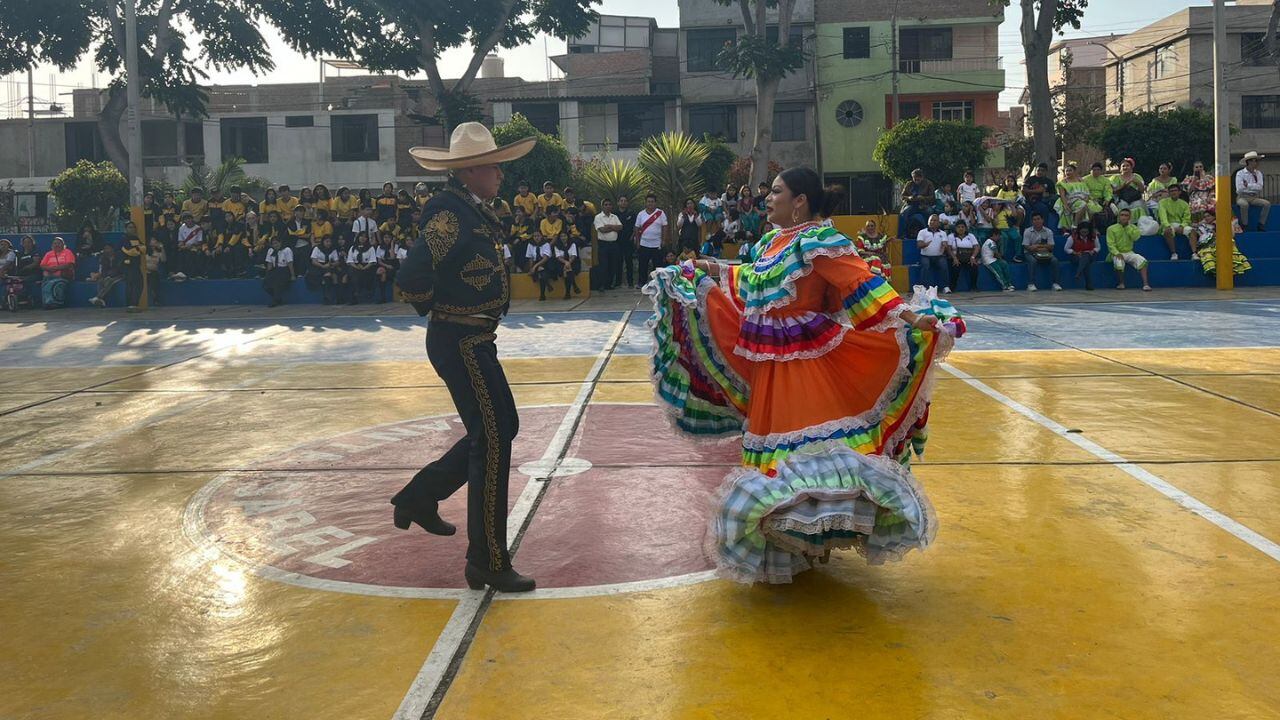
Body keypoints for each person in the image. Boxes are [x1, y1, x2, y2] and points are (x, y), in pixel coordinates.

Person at [646, 166, 962, 583]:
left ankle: (822, 535)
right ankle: (801, 545)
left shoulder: (818, 240)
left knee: (807, 455)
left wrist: (910, 316)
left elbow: (861, 283)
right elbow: (750, 280)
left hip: (808, 364)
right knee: (782, 456)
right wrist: (707, 269)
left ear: (800, 202)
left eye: (776, 191)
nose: (767, 198)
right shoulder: (771, 243)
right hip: (771, 372)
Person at [394, 122, 538, 593]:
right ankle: (487, 560)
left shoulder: (470, 210)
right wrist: (442, 308)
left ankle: (421, 495)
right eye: (494, 165)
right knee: (494, 437)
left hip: (473, 339)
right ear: (470, 170)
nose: (500, 173)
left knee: (500, 429)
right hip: (460, 339)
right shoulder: (449, 214)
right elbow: (413, 275)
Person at [1106, 208, 1151, 291]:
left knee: (1142, 260)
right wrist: (1116, 253)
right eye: (1122, 215)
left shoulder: (1134, 228)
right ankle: (1121, 283)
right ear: (1119, 217)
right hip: (1116, 253)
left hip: (1129, 252)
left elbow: (1135, 238)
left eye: (1126, 215)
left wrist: (1128, 227)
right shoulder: (1111, 228)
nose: (1123, 217)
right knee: (1119, 262)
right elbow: (1110, 244)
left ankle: (1146, 284)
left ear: (1129, 217)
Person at [1021, 212, 1062, 291]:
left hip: (1045, 252)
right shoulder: (1027, 231)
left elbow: (1051, 246)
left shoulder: (1048, 231)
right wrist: (1042, 247)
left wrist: (1037, 246)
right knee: (1032, 261)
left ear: (1042, 220)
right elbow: (1027, 246)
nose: (1037, 221)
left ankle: (1056, 283)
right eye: (1034, 220)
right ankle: (1031, 284)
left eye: (1038, 219)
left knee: (1055, 261)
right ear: (1032, 221)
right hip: (1030, 253)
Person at [634, 193, 668, 283]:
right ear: (645, 203)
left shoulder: (660, 213)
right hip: (644, 243)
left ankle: (657, 283)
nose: (650, 204)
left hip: (657, 244)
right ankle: (642, 282)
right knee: (643, 265)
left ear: (655, 203)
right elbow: (637, 228)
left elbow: (665, 227)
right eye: (648, 202)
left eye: (652, 202)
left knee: (657, 265)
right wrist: (637, 242)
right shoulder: (641, 214)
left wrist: (663, 240)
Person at [1235, 150, 1270, 231]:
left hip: (1254, 197)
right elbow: (1240, 188)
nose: (1257, 163)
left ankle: (1261, 224)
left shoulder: (1258, 173)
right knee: (1244, 205)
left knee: (1267, 204)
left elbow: (1260, 187)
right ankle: (1245, 225)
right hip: (1242, 197)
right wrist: (1253, 187)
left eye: (1257, 161)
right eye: (1255, 161)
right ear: (1249, 162)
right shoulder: (1240, 173)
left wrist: (1248, 185)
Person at [1054, 162, 1095, 231]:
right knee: (1082, 204)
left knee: (1092, 208)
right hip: (1070, 200)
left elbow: (1087, 192)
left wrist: (1086, 199)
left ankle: (1088, 228)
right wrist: (1066, 205)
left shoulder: (1081, 180)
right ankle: (1075, 225)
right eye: (1067, 171)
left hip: (1083, 199)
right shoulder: (1063, 182)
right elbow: (1062, 195)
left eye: (1070, 170)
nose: (1068, 172)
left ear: (1075, 171)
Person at [916, 214, 949, 293]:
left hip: (939, 256)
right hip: (925, 256)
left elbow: (945, 243)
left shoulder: (943, 233)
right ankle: (925, 287)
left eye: (935, 220)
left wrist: (944, 246)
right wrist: (925, 244)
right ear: (928, 222)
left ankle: (945, 287)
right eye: (931, 220)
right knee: (925, 266)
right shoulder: (922, 232)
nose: (933, 222)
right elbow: (919, 245)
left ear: (938, 223)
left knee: (944, 265)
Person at [39, 236, 76, 309]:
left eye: (59, 243)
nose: (57, 245)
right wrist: (49, 269)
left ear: (63, 244)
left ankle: (55, 303)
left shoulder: (68, 252)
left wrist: (55, 268)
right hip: (49, 275)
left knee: (51, 283)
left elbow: (69, 264)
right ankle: (47, 302)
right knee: (46, 282)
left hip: (64, 275)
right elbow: (42, 265)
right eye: (55, 243)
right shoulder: (48, 254)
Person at [594, 199, 623, 289]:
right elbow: (602, 230)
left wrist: (609, 226)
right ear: (602, 206)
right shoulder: (598, 217)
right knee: (603, 265)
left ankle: (609, 284)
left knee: (612, 264)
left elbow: (620, 227)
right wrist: (614, 227)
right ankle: (601, 285)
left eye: (609, 204)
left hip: (614, 244)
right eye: (606, 205)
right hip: (603, 245)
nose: (608, 206)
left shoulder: (614, 217)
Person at [1157, 183, 1191, 259]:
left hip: (1180, 224)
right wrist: (1167, 226)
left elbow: (1187, 218)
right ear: (1169, 193)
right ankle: (1174, 253)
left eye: (1175, 190)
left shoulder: (1184, 204)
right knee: (1167, 231)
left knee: (1193, 232)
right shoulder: (1162, 202)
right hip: (1169, 224)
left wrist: (1182, 226)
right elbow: (1163, 217)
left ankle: (1194, 253)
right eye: (1171, 191)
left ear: (1179, 192)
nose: (1173, 192)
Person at [899, 168, 935, 239]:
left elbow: (932, 197)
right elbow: (902, 196)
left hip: (924, 205)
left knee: (930, 212)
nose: (916, 181)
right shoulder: (909, 184)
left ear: (922, 178)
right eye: (914, 179)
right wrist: (909, 198)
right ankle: (903, 233)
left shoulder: (928, 184)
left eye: (918, 179)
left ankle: (930, 232)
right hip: (911, 204)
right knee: (904, 213)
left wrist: (923, 198)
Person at [1064, 220, 1100, 291]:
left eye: (1086, 232)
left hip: (1090, 255)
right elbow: (1066, 249)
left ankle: (1079, 272)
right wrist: (1074, 252)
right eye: (1082, 232)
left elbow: (1098, 247)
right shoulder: (1073, 237)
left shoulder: (1093, 236)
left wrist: (1093, 251)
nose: (1084, 234)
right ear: (1079, 230)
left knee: (1086, 255)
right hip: (1076, 256)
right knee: (1085, 263)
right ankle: (1088, 284)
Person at [946, 220, 980, 292]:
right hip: (956, 258)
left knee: (974, 267)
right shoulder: (951, 236)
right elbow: (948, 249)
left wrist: (973, 257)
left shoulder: (971, 236)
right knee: (955, 268)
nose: (961, 229)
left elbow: (976, 247)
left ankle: (973, 287)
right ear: (955, 228)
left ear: (966, 228)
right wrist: (954, 258)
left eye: (962, 227)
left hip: (969, 258)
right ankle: (952, 287)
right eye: (958, 227)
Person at [307, 236, 342, 304]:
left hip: (329, 265)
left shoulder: (333, 250)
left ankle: (338, 297)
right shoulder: (317, 248)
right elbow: (313, 261)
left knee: (334, 276)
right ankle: (326, 297)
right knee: (327, 275)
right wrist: (323, 266)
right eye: (327, 242)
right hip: (318, 266)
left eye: (330, 242)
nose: (328, 243)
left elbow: (337, 261)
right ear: (323, 242)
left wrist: (331, 264)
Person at [262, 236, 294, 307]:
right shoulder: (270, 250)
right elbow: (269, 264)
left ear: (280, 243)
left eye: (276, 243)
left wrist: (292, 275)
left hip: (284, 270)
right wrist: (267, 274)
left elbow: (290, 263)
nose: (275, 245)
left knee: (277, 283)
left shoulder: (286, 250)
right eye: (273, 244)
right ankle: (278, 299)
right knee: (266, 285)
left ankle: (275, 300)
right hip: (274, 270)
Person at [979, 228, 1015, 292]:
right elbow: (996, 253)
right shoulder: (989, 242)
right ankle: (1005, 286)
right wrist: (1000, 258)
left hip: (993, 259)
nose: (999, 238)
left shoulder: (993, 242)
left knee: (1005, 264)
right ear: (994, 235)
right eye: (998, 236)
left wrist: (1001, 260)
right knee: (998, 271)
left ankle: (1009, 283)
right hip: (988, 261)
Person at [615, 195, 638, 288]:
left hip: (628, 241)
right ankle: (618, 282)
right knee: (618, 262)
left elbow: (635, 227)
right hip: (617, 241)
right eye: (621, 200)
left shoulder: (631, 213)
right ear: (618, 203)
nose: (623, 202)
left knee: (629, 262)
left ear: (627, 203)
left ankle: (630, 282)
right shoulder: (614, 214)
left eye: (625, 201)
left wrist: (633, 236)